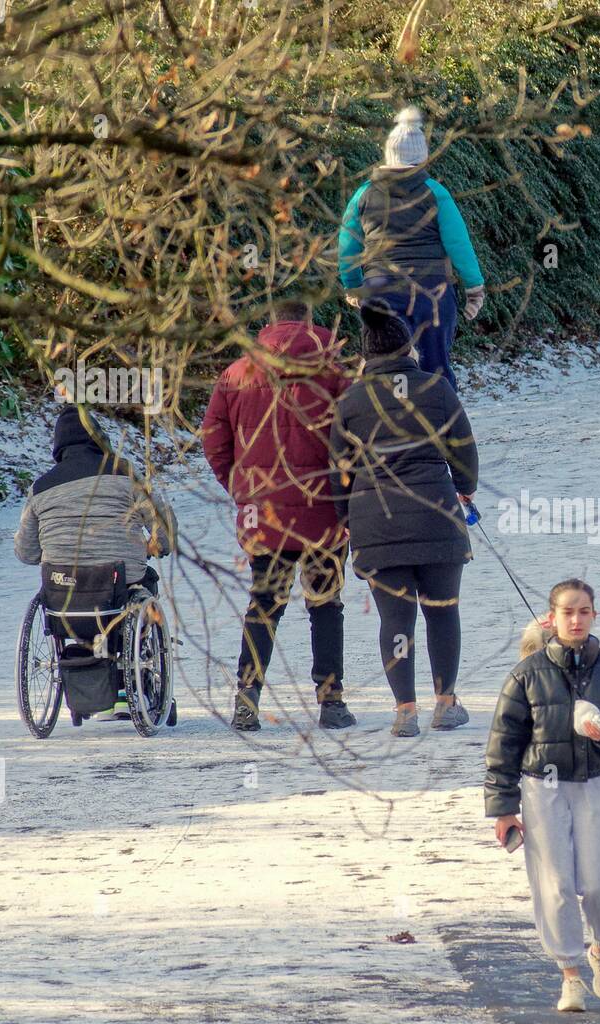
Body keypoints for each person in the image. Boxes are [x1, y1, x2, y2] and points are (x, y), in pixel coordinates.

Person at [484, 579, 600, 1013]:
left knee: (598, 884)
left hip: (593, 785)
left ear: (595, 615)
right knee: (555, 885)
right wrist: (503, 807)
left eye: (583, 611)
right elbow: (503, 742)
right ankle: (570, 974)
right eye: (567, 612)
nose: (576, 620)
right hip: (542, 788)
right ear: (552, 619)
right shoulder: (527, 674)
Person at [202, 299, 355, 732]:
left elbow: (213, 438)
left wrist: (240, 486)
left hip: (263, 515)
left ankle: (247, 698)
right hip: (324, 511)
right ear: (310, 323)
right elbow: (355, 436)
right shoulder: (336, 372)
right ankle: (332, 702)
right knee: (326, 604)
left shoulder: (236, 374)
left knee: (264, 604)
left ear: (268, 326)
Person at [330, 301, 479, 737]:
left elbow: (339, 467)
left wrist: (346, 516)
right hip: (436, 516)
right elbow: (464, 449)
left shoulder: (351, 401)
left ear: (366, 355)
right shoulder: (436, 389)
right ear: (409, 348)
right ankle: (446, 703)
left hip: (377, 523)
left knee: (395, 621)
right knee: (442, 610)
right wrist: (464, 485)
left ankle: (405, 711)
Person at [14, 403, 177, 720]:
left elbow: (26, 553)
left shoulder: (41, 489)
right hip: (119, 587)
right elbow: (162, 524)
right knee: (146, 582)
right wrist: (157, 546)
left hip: (64, 596)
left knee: (82, 598)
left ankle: (88, 679)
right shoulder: (124, 473)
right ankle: (137, 681)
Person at [337, 106, 485, 389]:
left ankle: (386, 424)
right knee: (436, 366)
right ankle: (441, 425)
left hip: (379, 287)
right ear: (422, 157)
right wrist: (473, 286)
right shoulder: (435, 192)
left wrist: (353, 284)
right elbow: (458, 243)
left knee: (383, 365)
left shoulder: (364, 194)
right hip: (432, 290)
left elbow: (348, 245)